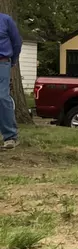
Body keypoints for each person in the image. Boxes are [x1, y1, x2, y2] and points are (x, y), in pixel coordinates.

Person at [0, 11, 22, 150]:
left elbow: (17, 42)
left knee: (2, 96)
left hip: (2, 62)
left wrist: (13, 61)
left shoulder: (6, 20)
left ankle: (10, 137)